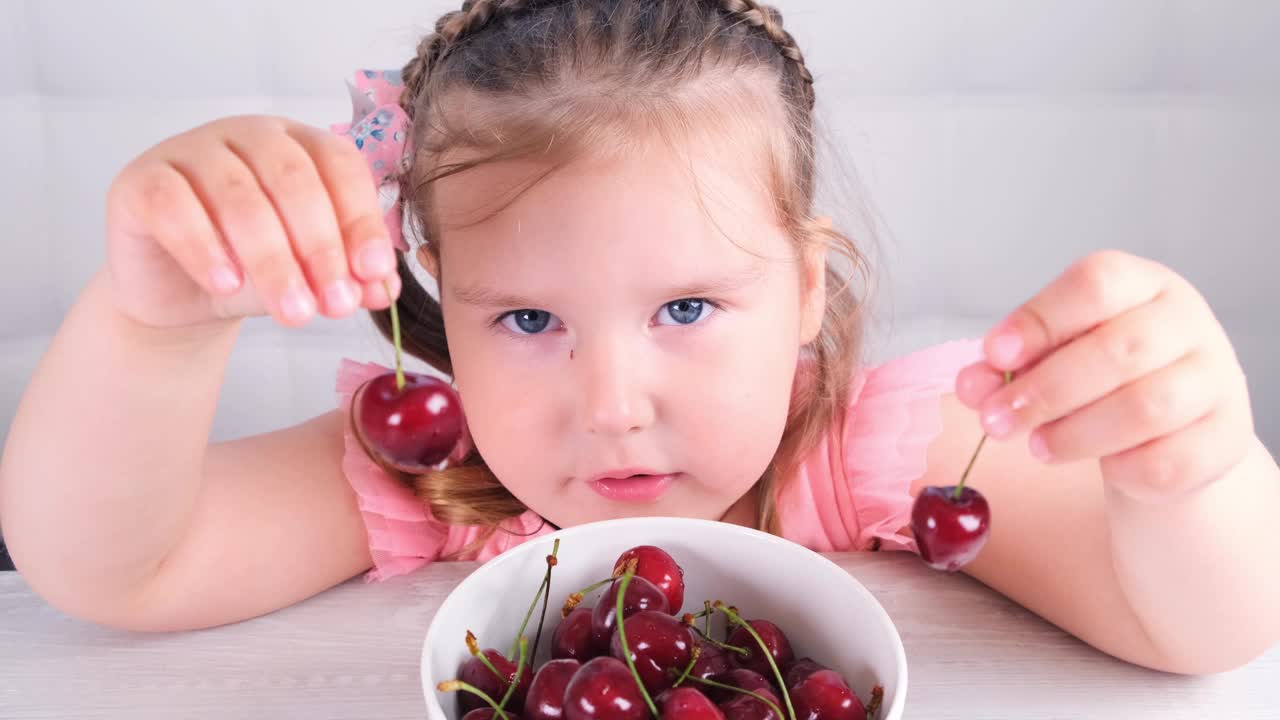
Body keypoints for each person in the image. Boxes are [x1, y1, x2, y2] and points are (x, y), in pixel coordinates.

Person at [1, 0, 1276, 676]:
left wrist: (1192, 476)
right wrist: (154, 325)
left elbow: (1203, 632)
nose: (609, 404)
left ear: (801, 289)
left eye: (684, 310)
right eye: (528, 320)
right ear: (440, 299)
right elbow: (118, 572)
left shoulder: (890, 456)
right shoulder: (442, 477)